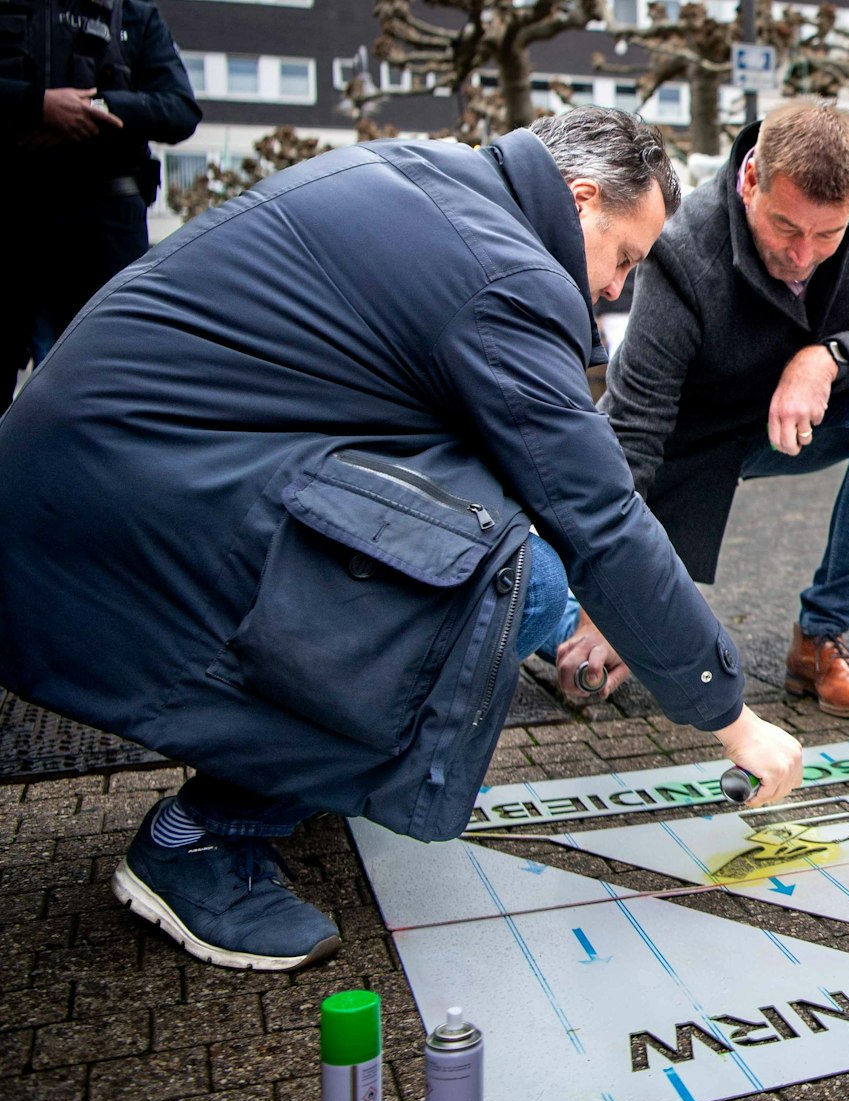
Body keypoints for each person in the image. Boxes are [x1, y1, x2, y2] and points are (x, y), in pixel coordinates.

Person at [0, 107, 805, 972]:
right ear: (579, 201)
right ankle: (201, 838)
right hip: (127, 508)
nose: (615, 291)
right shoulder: (504, 273)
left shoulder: (423, 175)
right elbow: (598, 514)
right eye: (623, 259)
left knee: (498, 549)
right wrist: (731, 715)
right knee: (503, 583)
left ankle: (290, 759)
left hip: (90, 479)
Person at [570, 100, 849, 720]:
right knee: (587, 631)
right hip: (690, 434)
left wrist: (825, 359)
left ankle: (819, 640)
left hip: (792, 423)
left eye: (827, 234)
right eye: (787, 228)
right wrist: (607, 595)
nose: (804, 255)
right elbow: (634, 430)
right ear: (749, 181)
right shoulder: (683, 246)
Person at [1, 0, 200, 410]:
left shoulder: (132, 15)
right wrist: (36, 106)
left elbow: (180, 110)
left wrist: (94, 110)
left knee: (105, 389)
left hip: (102, 233)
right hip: (12, 222)